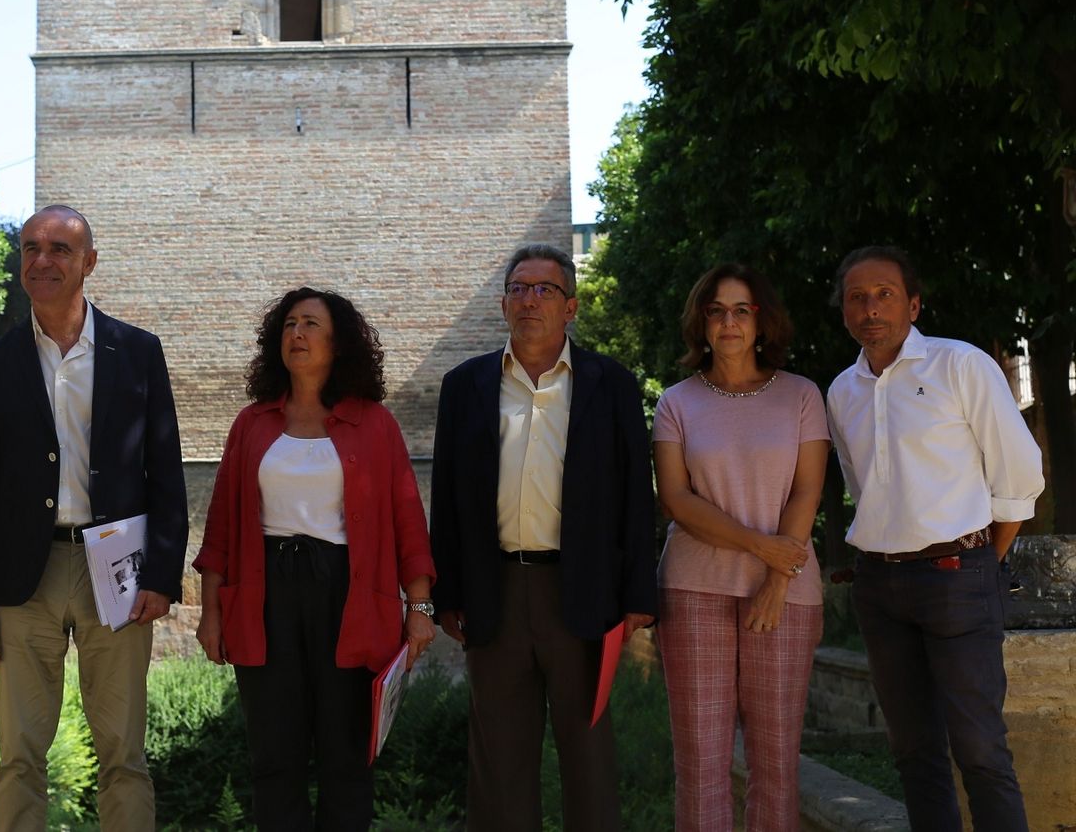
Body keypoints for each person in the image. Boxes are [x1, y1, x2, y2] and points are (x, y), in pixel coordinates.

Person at [0, 204, 188, 832]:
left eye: (60, 249)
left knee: (122, 754)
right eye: (31, 247)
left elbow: (164, 472)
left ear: (90, 262)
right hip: (20, 578)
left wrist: (162, 575)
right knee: (20, 756)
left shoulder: (138, 353)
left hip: (114, 569)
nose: (43, 259)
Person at [429, 242, 656, 831]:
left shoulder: (612, 384)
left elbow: (637, 496)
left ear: (571, 306)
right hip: (493, 591)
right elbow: (448, 497)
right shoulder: (464, 386)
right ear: (504, 303)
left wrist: (637, 598)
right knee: (498, 770)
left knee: (589, 765)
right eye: (519, 288)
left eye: (545, 289)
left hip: (582, 595)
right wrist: (445, 592)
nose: (531, 300)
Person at [193, 287, 437, 830]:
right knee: (273, 759)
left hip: (348, 598)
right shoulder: (251, 424)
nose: (296, 334)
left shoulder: (375, 424)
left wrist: (419, 609)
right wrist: (211, 612)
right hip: (264, 597)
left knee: (347, 759)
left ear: (338, 342)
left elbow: (407, 524)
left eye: (310, 324)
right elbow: (222, 531)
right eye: (288, 325)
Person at [826, 245, 1043, 832]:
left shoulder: (961, 365)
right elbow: (859, 484)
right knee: (914, 752)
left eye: (885, 294)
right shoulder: (841, 391)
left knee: (979, 750)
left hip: (958, 577)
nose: (871, 308)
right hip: (879, 587)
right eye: (857, 297)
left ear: (913, 304)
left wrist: (981, 561)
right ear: (844, 311)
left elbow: (1019, 473)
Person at [651, 265, 829, 831]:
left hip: (785, 594)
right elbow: (676, 499)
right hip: (691, 589)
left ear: (761, 321)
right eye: (716, 310)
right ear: (701, 323)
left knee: (776, 766)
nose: (729, 322)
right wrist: (763, 548)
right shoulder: (675, 402)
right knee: (701, 765)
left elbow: (807, 490)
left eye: (741, 310)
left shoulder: (801, 395)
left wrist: (777, 579)